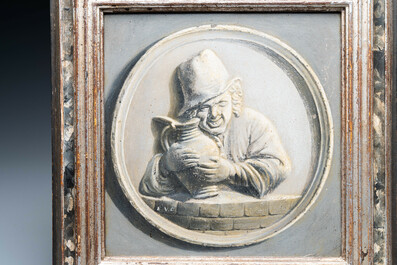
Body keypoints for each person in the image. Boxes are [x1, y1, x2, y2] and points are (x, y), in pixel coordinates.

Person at [139, 49, 291, 199]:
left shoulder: (254, 124)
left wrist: (231, 171)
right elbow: (147, 188)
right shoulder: (182, 134)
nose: (214, 114)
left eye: (221, 103)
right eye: (204, 107)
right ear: (192, 111)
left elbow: (278, 168)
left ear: (233, 99)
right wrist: (166, 164)